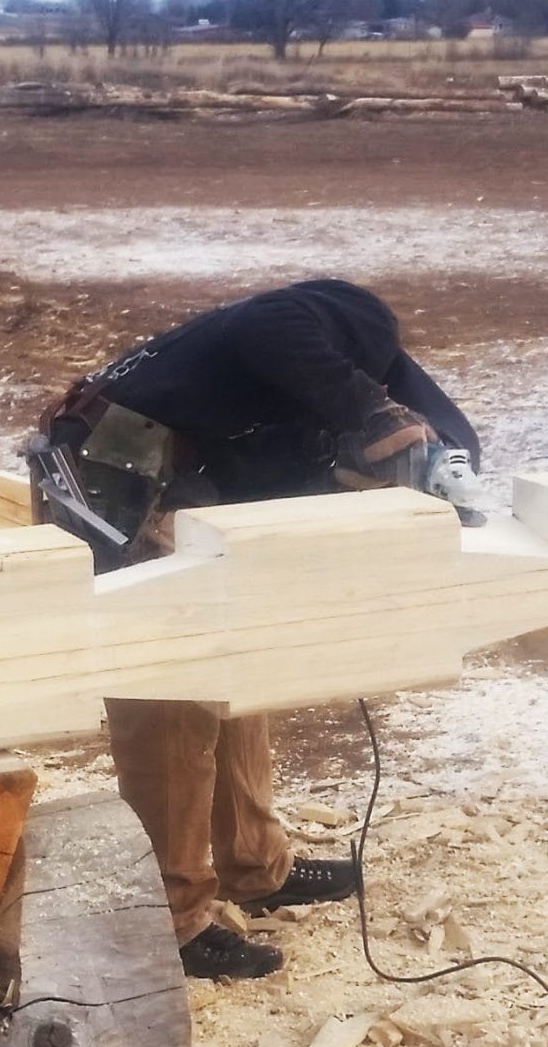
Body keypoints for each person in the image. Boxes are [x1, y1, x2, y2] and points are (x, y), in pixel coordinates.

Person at [29, 280, 484, 981]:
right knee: (169, 686)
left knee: (236, 661)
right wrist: (371, 411)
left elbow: (425, 445)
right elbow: (269, 320)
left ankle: (254, 866)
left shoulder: (349, 387)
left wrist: (439, 480)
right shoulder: (337, 325)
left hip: (188, 478)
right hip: (113, 465)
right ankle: (175, 917)